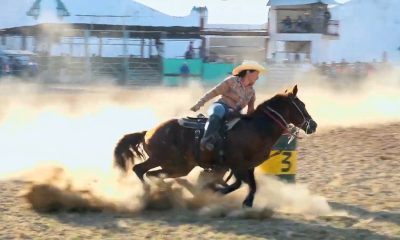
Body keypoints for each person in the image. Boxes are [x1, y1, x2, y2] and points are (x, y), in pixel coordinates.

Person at [190, 60, 266, 151]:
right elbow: (214, 92)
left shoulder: (251, 92)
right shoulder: (231, 81)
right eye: (257, 74)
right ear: (248, 72)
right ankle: (206, 140)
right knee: (218, 111)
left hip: (235, 113)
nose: (257, 78)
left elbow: (250, 111)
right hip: (221, 106)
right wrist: (200, 103)